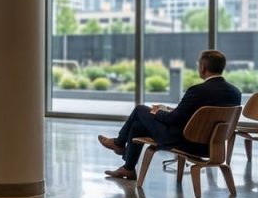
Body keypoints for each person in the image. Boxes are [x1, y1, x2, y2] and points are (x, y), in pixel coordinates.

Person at [97, 50, 242, 180]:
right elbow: (197, 117)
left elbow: (173, 120)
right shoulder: (235, 92)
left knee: (140, 109)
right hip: (212, 146)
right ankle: (128, 169)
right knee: (137, 126)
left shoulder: (197, 91)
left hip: (185, 142)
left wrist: (157, 111)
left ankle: (119, 143)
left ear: (202, 68)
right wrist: (171, 111)